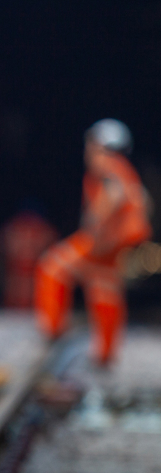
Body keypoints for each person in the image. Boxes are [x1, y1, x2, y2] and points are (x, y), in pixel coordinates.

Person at [34, 119, 151, 364]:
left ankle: (53, 330)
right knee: (104, 289)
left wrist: (95, 222)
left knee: (53, 267)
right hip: (114, 247)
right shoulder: (127, 171)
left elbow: (114, 194)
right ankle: (105, 354)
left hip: (100, 242)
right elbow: (142, 203)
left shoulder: (108, 165)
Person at [0, 208, 58, 309]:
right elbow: (2, 243)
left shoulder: (44, 228)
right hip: (16, 267)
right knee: (16, 283)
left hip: (36, 267)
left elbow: (52, 244)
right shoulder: (13, 227)